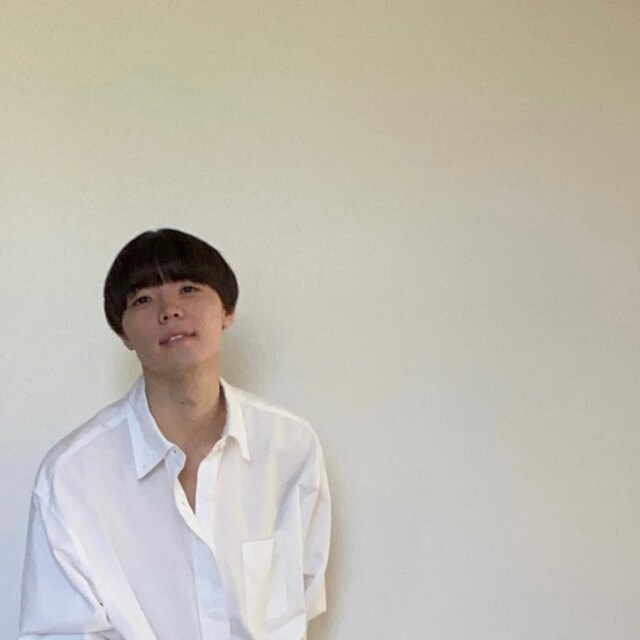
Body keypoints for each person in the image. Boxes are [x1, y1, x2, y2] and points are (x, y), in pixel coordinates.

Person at [19, 229, 331, 640]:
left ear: (227, 310)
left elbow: (300, 601)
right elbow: (58, 631)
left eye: (188, 288)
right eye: (143, 299)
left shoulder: (289, 446)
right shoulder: (73, 475)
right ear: (123, 333)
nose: (170, 310)